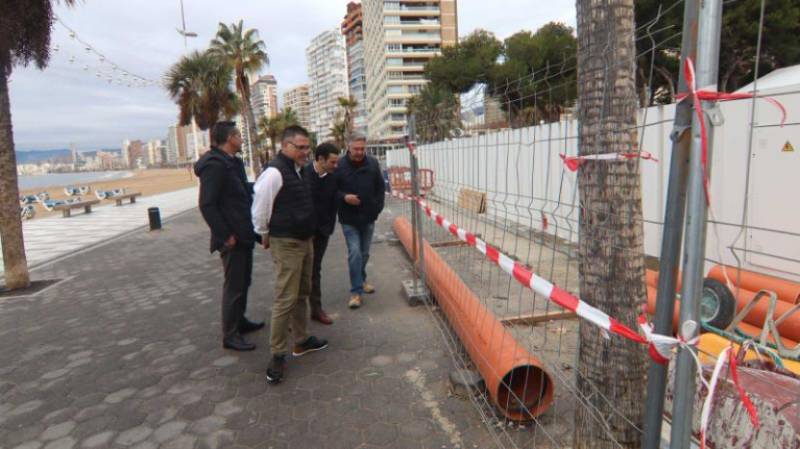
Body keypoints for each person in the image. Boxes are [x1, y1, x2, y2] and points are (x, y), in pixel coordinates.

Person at [252, 125, 328, 384]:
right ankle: (277, 353)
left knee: (302, 292)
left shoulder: (301, 170)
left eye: (308, 147)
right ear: (285, 146)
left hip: (305, 240)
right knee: (285, 297)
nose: (306, 152)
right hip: (286, 242)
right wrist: (263, 233)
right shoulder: (274, 172)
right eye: (301, 147)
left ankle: (302, 340)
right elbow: (260, 207)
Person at [194, 121, 264, 352]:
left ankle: (240, 321)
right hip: (232, 238)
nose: (241, 139)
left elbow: (242, 193)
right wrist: (225, 236)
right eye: (238, 135)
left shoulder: (232, 162)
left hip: (244, 233)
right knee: (234, 286)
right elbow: (207, 204)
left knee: (244, 281)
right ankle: (230, 335)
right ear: (230, 138)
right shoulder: (215, 166)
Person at [335, 134, 386, 309]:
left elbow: (380, 187)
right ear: (348, 147)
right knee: (355, 253)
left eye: (362, 148)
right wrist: (344, 197)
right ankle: (356, 292)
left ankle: (362, 279)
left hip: (368, 217)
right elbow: (331, 190)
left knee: (364, 254)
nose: (359, 152)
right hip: (348, 219)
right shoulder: (339, 165)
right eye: (356, 149)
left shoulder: (372, 163)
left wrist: (377, 208)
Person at [303, 142, 341, 325]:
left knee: (315, 270)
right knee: (298, 274)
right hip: (303, 234)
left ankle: (316, 309)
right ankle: (292, 316)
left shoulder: (334, 177)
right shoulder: (302, 174)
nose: (336, 166)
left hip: (323, 232)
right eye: (333, 162)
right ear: (320, 159)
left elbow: (335, 200)